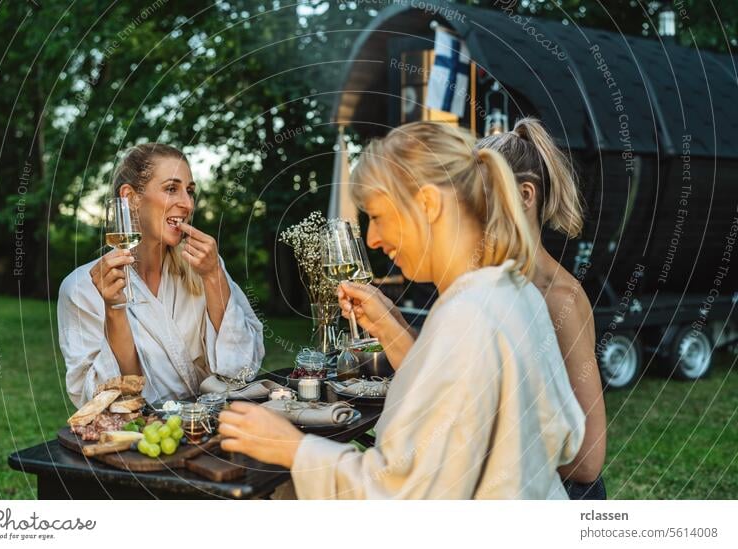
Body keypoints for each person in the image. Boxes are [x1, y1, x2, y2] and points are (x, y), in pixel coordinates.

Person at [217, 121, 585, 499]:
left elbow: (405, 497)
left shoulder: (466, 316)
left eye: (376, 216)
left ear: (428, 203)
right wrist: (387, 324)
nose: (373, 239)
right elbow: (552, 433)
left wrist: (290, 448)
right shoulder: (514, 292)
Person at [58, 143, 264, 407]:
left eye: (190, 191)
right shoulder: (80, 289)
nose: (187, 203)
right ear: (131, 198)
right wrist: (114, 309)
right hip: (143, 440)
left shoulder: (203, 266)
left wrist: (213, 277)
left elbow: (243, 370)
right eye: (171, 189)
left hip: (212, 428)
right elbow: (108, 400)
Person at [475, 118, 607, 500]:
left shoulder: (558, 298)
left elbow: (586, 461)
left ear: (526, 195)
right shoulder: (492, 283)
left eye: (478, 200)